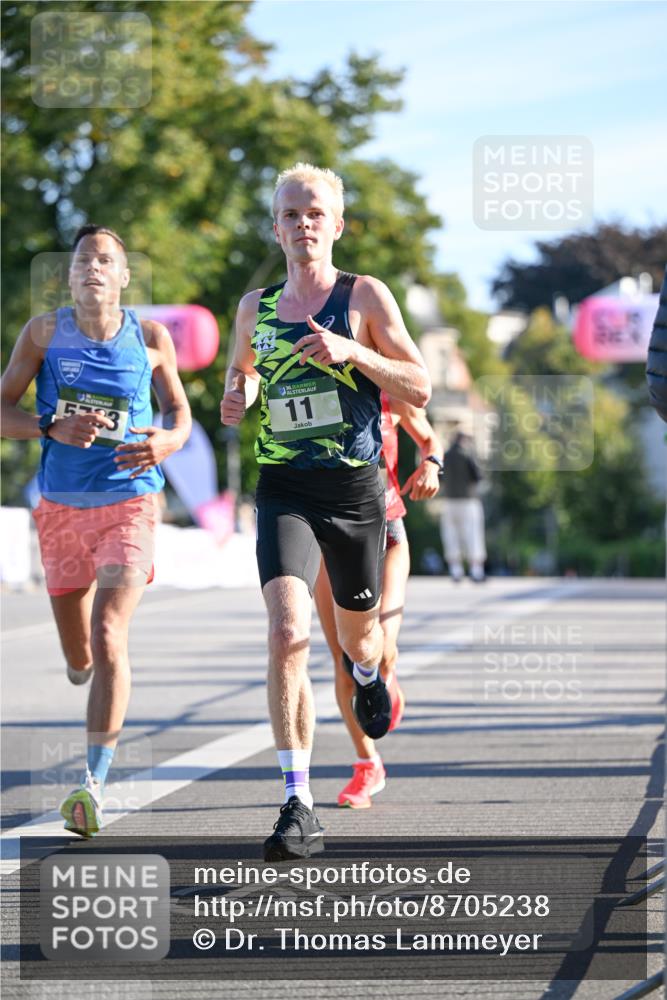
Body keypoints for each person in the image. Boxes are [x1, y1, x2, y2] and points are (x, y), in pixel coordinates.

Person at [221, 163, 431, 860]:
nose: (302, 222)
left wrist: (352, 350)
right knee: (286, 632)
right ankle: (296, 800)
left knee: (357, 643)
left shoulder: (363, 295)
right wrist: (238, 397)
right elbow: (243, 374)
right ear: (274, 226)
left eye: (315, 212)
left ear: (335, 225)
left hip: (355, 493)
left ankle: (368, 677)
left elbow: (420, 385)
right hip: (284, 485)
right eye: (290, 213)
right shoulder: (253, 305)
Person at [0, 225, 191, 836]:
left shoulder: (152, 337)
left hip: (130, 503)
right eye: (83, 259)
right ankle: (78, 663)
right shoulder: (44, 333)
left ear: (124, 276)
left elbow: (180, 414)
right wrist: (48, 426)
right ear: (70, 275)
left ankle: (91, 786)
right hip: (60, 508)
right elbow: (2, 409)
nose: (93, 267)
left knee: (110, 633)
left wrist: (169, 439)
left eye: (106, 259)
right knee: (79, 652)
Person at [314, 391, 442, 808]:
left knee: (380, 651)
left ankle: (387, 674)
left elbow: (428, 439)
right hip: (326, 532)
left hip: (387, 531)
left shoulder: (383, 388)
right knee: (344, 658)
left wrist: (431, 464)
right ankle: (367, 763)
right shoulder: (305, 387)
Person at [440, 428, 486, 582]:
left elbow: (440, 477)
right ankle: (476, 570)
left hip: (449, 500)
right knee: (472, 534)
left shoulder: (445, 455)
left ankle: (456, 570)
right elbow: (478, 475)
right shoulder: (468, 454)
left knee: (451, 535)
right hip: (468, 500)